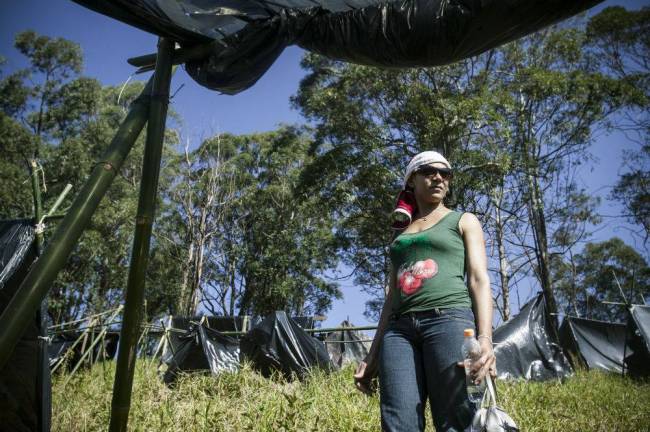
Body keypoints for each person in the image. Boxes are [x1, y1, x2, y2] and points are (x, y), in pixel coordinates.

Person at [353, 151, 496, 432]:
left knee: (457, 418)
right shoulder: (399, 236)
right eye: (430, 171)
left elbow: (479, 280)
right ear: (412, 180)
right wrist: (372, 355)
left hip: (450, 322)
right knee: (398, 422)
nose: (439, 177)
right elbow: (391, 298)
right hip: (399, 332)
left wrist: (486, 339)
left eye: (446, 173)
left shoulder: (464, 220)